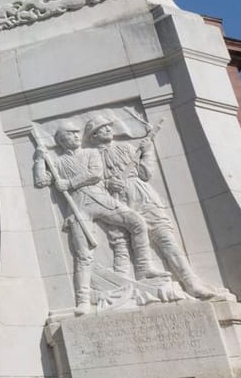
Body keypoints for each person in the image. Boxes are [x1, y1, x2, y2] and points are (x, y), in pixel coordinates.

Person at [86, 111, 217, 301]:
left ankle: (191, 282)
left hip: (142, 196)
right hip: (115, 202)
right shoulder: (91, 156)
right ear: (93, 136)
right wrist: (108, 185)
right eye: (102, 128)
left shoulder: (126, 149)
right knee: (121, 246)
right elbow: (90, 184)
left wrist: (147, 152)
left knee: (166, 238)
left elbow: (145, 174)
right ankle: (131, 288)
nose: (108, 129)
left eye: (108, 126)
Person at [32, 120, 148, 313]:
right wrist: (39, 160)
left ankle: (143, 269)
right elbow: (41, 181)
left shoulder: (91, 153)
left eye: (78, 133)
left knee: (137, 223)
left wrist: (69, 183)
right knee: (83, 255)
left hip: (100, 199)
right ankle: (83, 300)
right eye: (71, 134)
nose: (77, 136)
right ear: (62, 139)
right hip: (78, 207)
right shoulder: (57, 163)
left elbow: (95, 174)